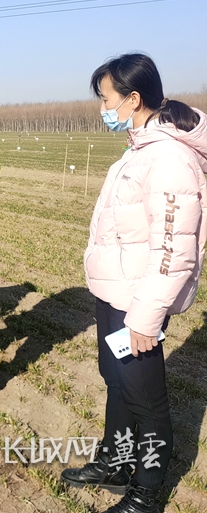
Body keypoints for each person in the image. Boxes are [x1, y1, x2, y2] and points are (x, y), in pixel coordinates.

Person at [60, 54, 207, 513]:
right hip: (115, 293)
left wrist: (146, 315)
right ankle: (116, 462)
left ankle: (146, 494)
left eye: (106, 99)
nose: (102, 108)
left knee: (146, 400)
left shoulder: (168, 160)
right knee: (117, 382)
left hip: (138, 302)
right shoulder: (140, 147)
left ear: (133, 98)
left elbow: (173, 251)